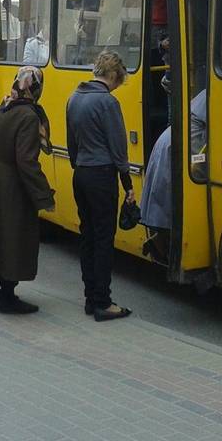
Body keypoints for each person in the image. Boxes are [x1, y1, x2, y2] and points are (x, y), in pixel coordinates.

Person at [0, 66, 55, 314]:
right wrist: (43, 196)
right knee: (13, 236)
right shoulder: (28, 117)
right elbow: (27, 161)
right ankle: (7, 296)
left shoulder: (2, 109)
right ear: (36, 89)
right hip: (12, 185)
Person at [66, 51, 134, 321]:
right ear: (114, 75)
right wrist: (127, 183)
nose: (119, 86)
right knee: (104, 239)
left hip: (81, 174)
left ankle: (90, 298)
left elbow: (72, 144)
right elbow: (118, 149)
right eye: (120, 80)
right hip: (102, 176)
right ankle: (103, 303)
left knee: (88, 236)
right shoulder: (107, 102)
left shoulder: (74, 98)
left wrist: (80, 164)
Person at [139, 89, 207, 264]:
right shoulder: (217, 94)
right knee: (171, 201)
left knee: (166, 200)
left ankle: (160, 241)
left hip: (170, 142)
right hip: (176, 148)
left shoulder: (207, 92)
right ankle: (165, 246)